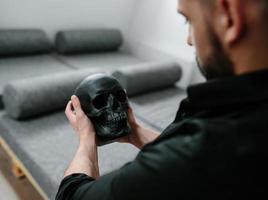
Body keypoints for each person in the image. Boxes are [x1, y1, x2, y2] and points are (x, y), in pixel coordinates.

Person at [56, 0, 268, 199]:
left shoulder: (207, 150)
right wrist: (134, 132)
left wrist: (86, 140)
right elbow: (182, 146)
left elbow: (72, 194)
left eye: (189, 20)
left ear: (229, 15)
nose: (189, 39)